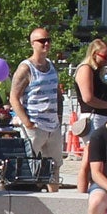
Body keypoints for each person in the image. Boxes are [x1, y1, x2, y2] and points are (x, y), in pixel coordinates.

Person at [9, 28, 65, 190]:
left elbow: (57, 93)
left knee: (54, 166)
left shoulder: (51, 65)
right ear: (33, 43)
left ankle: (55, 199)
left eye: (48, 40)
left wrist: (59, 117)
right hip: (34, 124)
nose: (46, 43)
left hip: (53, 125)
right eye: (42, 41)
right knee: (28, 166)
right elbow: (13, 97)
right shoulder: (25, 68)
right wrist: (27, 122)